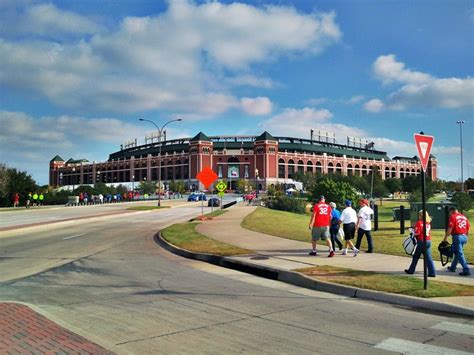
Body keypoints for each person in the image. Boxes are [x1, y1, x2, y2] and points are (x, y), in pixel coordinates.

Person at [404, 210, 436, 277]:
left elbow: (417, 233)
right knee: (428, 258)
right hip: (428, 241)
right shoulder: (428, 223)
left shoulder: (419, 222)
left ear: (421, 215)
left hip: (421, 241)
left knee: (415, 256)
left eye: (419, 215)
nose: (418, 216)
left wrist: (412, 232)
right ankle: (432, 272)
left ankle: (411, 270)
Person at [444, 206, 471, 276]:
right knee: (457, 252)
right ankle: (453, 267)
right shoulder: (464, 217)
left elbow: (450, 227)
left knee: (459, 253)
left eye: (449, 212)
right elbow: (467, 227)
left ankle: (466, 269)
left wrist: (446, 237)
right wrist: (466, 237)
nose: (449, 214)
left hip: (457, 236)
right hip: (464, 236)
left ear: (452, 211)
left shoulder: (453, 217)